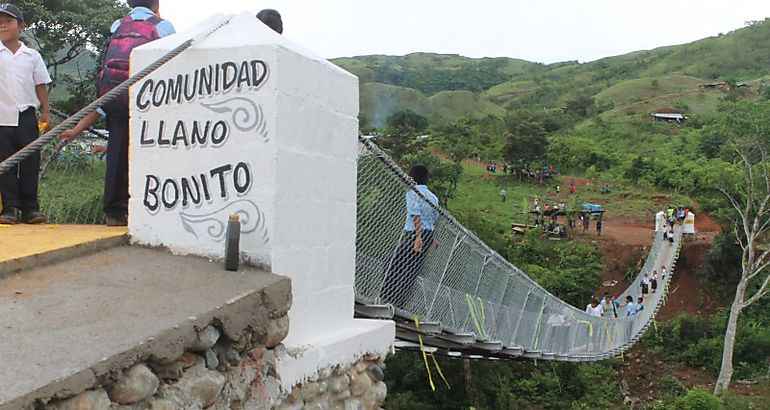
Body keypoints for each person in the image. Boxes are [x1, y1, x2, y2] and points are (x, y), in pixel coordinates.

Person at [59, 0, 174, 226]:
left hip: (116, 97)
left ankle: (114, 212)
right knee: (152, 156)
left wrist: (75, 130)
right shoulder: (164, 27)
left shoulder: (117, 25)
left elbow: (100, 105)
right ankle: (149, 210)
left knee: (117, 156)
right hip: (150, 102)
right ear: (157, 2)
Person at [0, 3, 51, 224]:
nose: (2, 25)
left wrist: (46, 112)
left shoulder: (32, 56)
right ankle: (10, 208)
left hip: (26, 115)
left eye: (8, 21)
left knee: (30, 161)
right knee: (5, 164)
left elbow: (41, 84)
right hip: (1, 117)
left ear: (21, 26)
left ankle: (31, 208)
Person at [380, 165, 439, 308]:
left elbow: (416, 214)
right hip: (427, 233)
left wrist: (418, 237)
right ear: (427, 179)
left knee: (391, 261)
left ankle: (387, 297)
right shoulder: (433, 197)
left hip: (416, 234)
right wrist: (431, 237)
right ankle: (398, 302)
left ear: (411, 178)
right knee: (410, 269)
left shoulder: (413, 193)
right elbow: (433, 218)